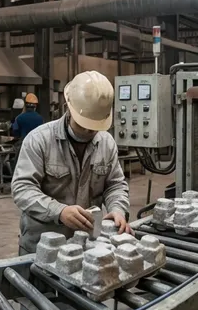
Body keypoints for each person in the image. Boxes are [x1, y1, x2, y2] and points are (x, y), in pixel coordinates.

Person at [11, 71, 131, 255]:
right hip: (42, 248)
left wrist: (118, 210)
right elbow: (22, 188)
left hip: (88, 246)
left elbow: (115, 185)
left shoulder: (107, 143)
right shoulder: (39, 140)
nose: (89, 132)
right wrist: (59, 211)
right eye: (83, 125)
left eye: (94, 127)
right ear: (68, 107)